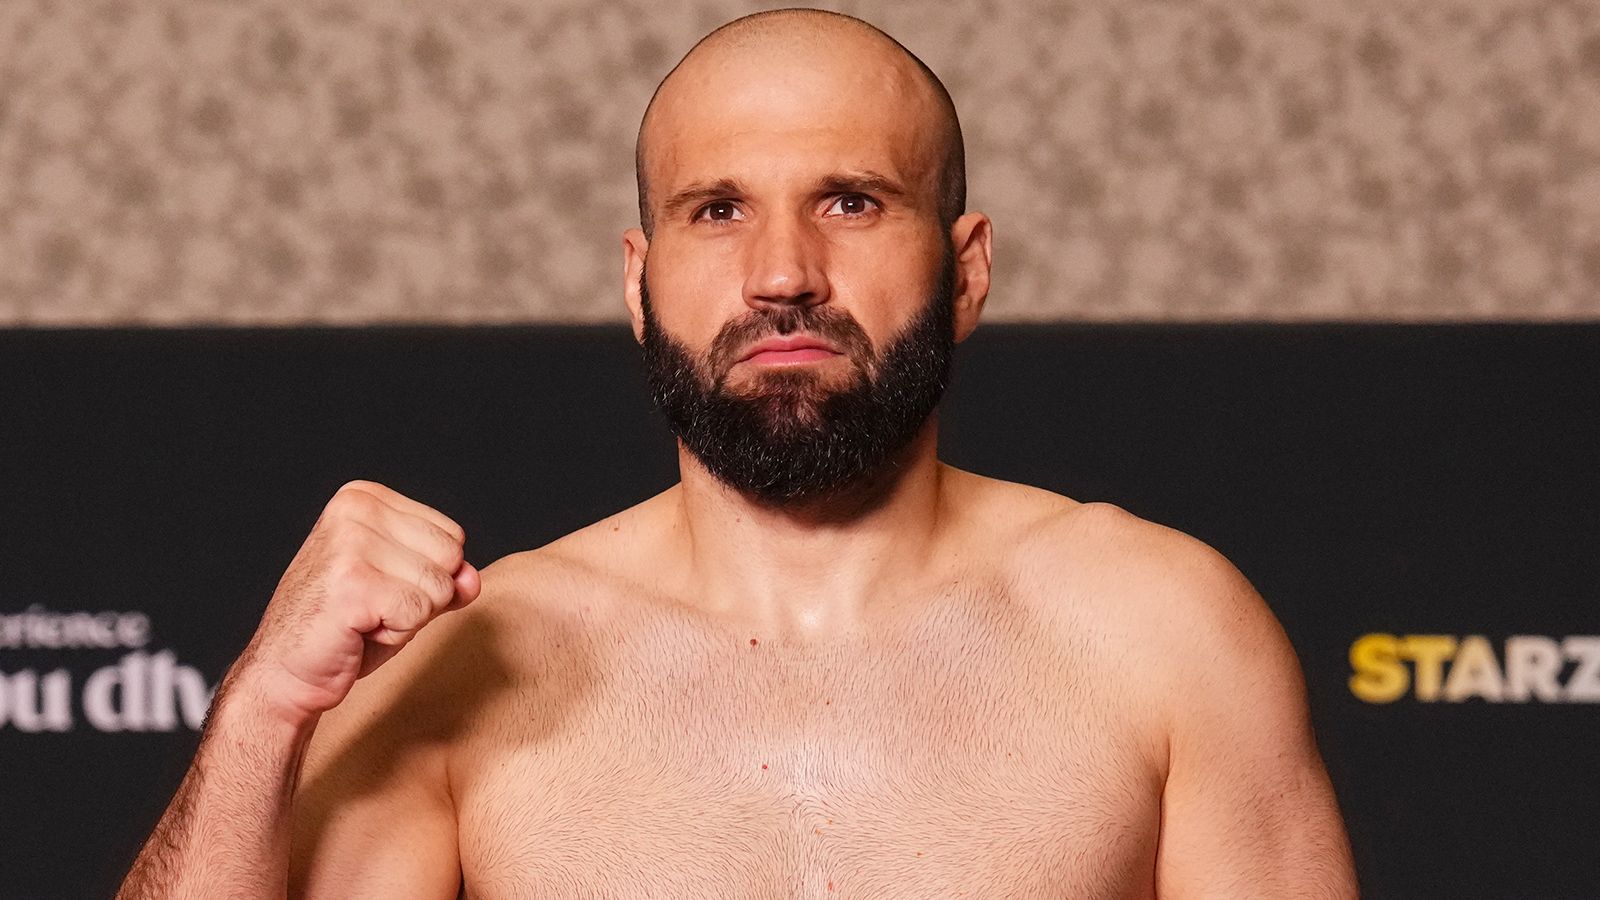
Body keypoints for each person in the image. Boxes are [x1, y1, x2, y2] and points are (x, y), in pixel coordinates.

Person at [118, 8, 1357, 898]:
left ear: (966, 268)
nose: (781, 274)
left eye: (850, 201)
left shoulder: (1163, 631)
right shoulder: (472, 668)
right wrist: (264, 707)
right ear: (638, 281)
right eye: (717, 210)